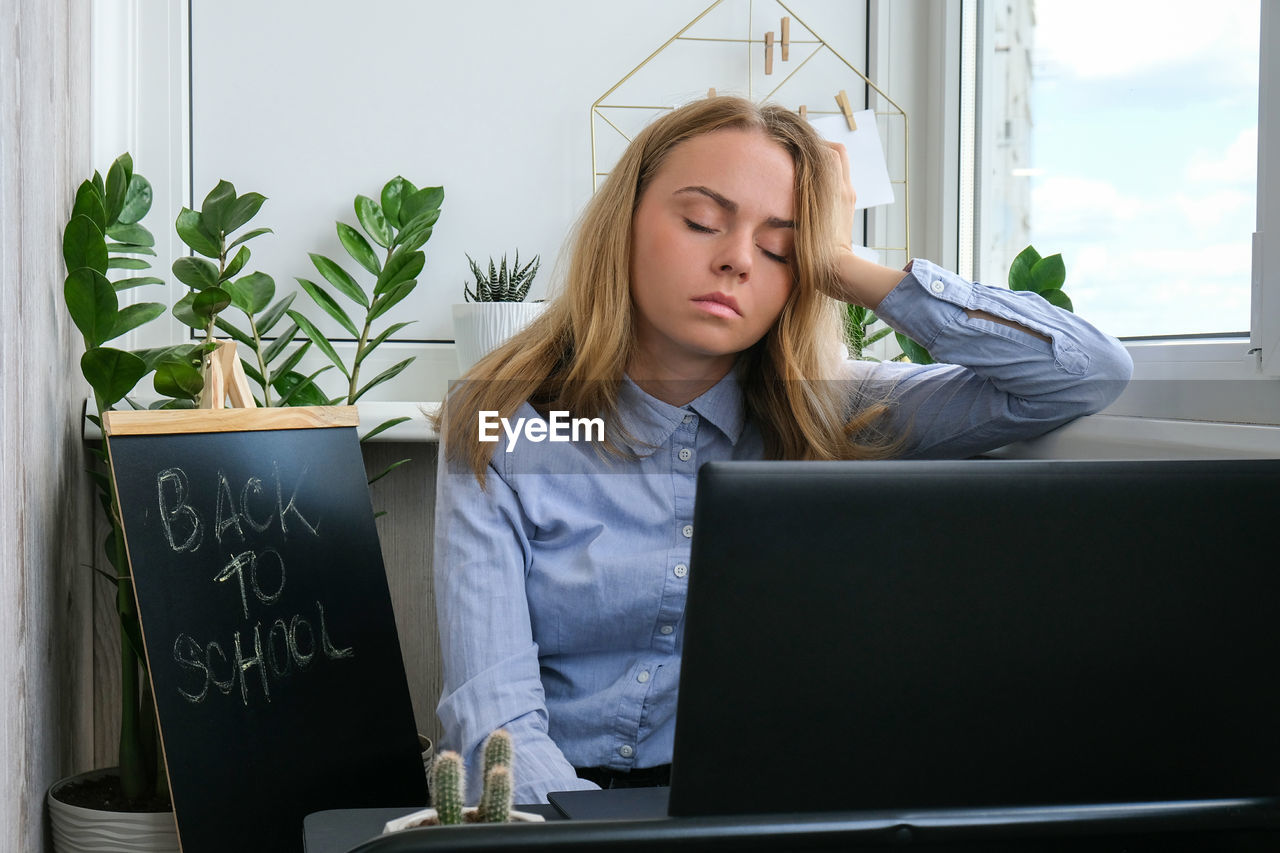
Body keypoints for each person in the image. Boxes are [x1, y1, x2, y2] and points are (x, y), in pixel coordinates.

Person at [430, 96, 1132, 805]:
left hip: (764, 807)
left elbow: (1083, 373)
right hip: (552, 811)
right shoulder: (502, 420)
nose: (736, 258)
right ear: (626, 224)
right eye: (702, 221)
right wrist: (591, 832)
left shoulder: (838, 409)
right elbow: (495, 717)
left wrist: (844, 264)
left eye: (778, 247)